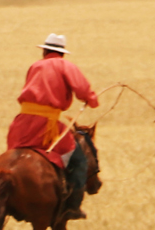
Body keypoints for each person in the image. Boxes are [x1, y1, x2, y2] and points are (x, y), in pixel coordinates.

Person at [8, 32, 101, 220]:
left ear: (44, 51)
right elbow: (82, 89)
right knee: (78, 160)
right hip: (46, 125)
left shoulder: (34, 66)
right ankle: (72, 206)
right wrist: (91, 100)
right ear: (62, 53)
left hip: (21, 124)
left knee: (13, 158)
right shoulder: (65, 65)